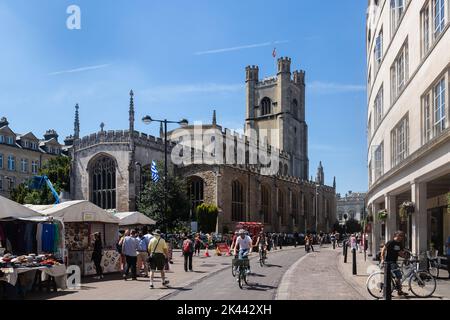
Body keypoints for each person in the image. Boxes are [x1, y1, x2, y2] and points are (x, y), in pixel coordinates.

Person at [380, 231, 408, 296]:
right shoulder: (390, 242)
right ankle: (388, 291)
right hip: (389, 262)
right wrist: (382, 259)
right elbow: (383, 249)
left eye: (402, 236)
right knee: (393, 277)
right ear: (396, 235)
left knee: (398, 277)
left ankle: (399, 290)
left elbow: (399, 253)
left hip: (394, 262)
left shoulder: (400, 244)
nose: (402, 237)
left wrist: (405, 257)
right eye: (400, 235)